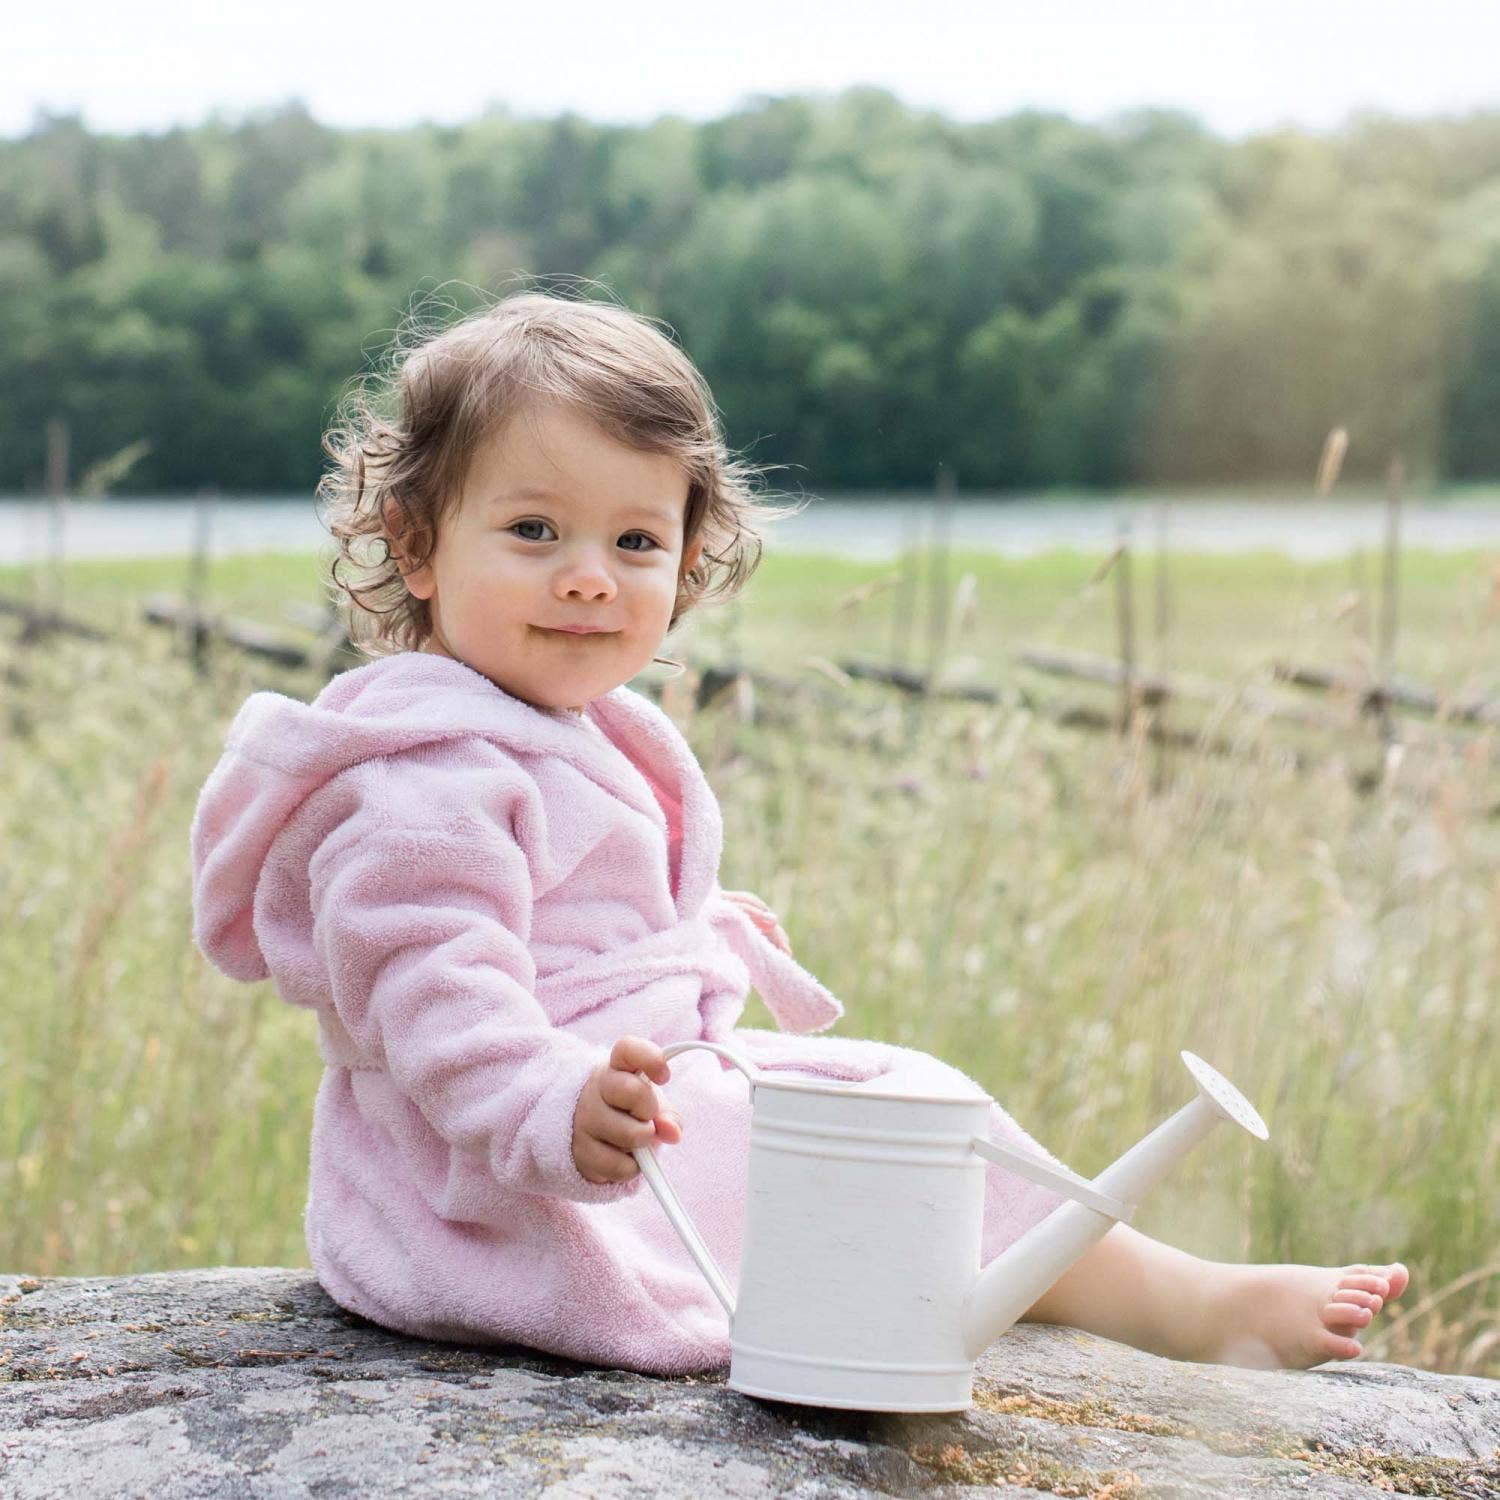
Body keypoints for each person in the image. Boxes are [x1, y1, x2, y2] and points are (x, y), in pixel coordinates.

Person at [190, 289, 1406, 1377]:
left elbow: (573, 915)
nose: (588, 579)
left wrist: (691, 932)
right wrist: (549, 1103)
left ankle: (1169, 1295)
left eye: (634, 542)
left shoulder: (578, 728)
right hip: (496, 1180)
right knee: (867, 1124)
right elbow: (438, 997)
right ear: (413, 543)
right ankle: (1177, 1304)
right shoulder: (420, 780)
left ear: (689, 558)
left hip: (606, 1114)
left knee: (910, 1101)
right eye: (532, 531)